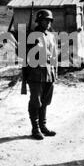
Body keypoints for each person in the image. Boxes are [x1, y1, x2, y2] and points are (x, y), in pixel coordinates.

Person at [26, 9, 58, 140]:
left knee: (45, 101)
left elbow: (55, 54)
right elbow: (24, 54)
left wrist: (55, 73)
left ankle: (43, 126)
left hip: (49, 72)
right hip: (35, 72)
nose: (48, 23)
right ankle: (35, 128)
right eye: (46, 20)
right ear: (39, 21)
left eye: (50, 21)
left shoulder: (50, 36)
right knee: (36, 101)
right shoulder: (32, 35)